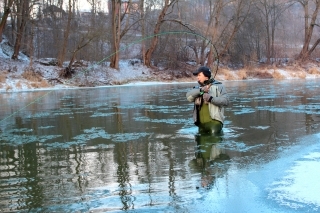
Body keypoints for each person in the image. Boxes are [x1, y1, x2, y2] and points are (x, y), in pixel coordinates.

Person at [186, 66, 229, 134]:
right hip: (201, 125)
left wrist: (211, 99)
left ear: (206, 76)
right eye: (197, 75)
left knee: (214, 143)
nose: (198, 77)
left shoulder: (219, 86)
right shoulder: (197, 88)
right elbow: (189, 97)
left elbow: (226, 101)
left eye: (199, 75)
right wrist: (201, 90)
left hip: (215, 124)